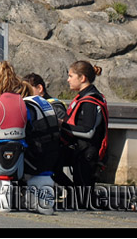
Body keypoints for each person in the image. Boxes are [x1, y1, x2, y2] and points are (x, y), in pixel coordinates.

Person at [54, 61, 109, 201]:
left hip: (87, 154)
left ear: (82, 78)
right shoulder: (83, 96)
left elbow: (88, 131)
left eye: (71, 76)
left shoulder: (90, 100)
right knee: (51, 162)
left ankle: (128, 203)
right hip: (78, 150)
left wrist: (61, 124)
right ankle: (71, 192)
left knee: (86, 200)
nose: (68, 80)